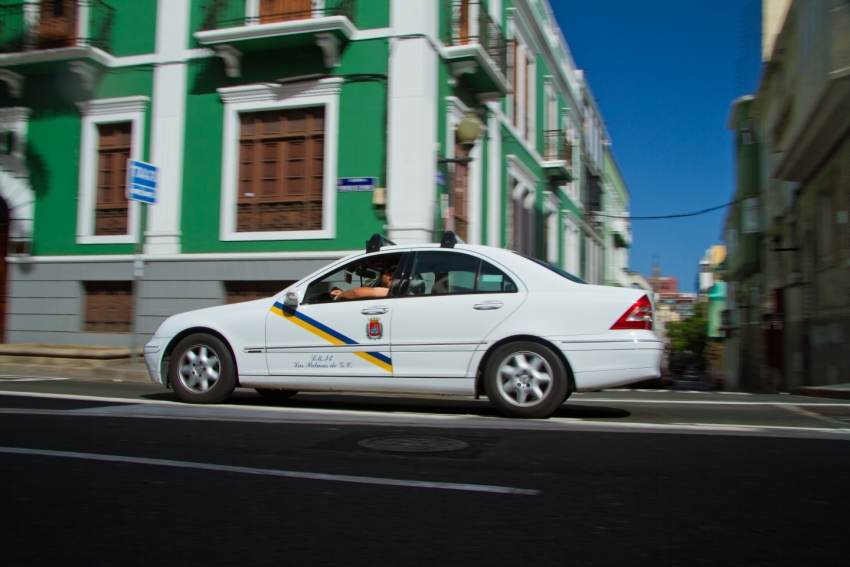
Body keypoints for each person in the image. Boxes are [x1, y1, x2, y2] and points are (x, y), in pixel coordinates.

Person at [330, 264, 396, 300]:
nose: (381, 276)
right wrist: (344, 294)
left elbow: (356, 292)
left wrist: (338, 297)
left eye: (383, 273)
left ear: (390, 276)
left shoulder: (388, 291)